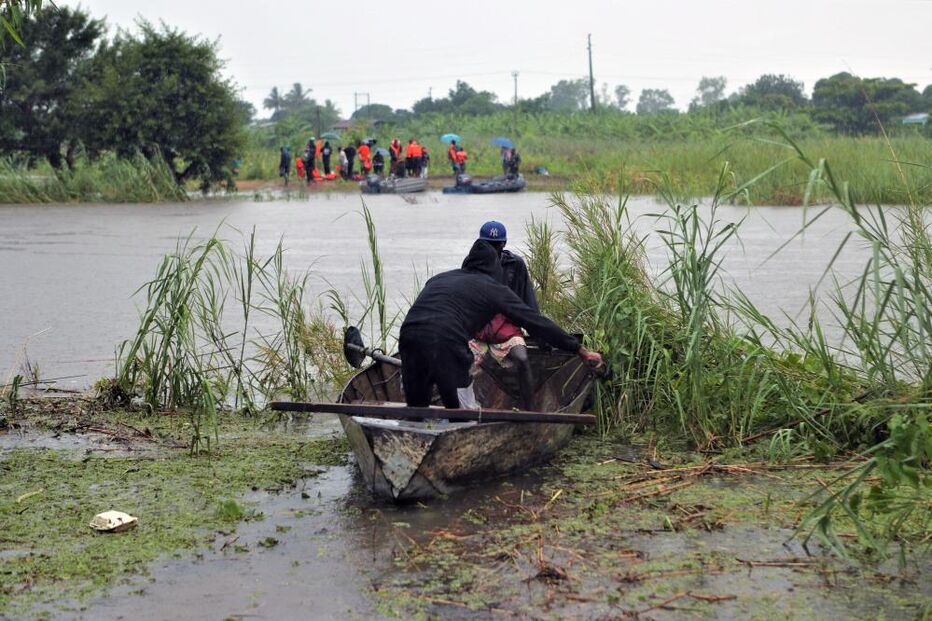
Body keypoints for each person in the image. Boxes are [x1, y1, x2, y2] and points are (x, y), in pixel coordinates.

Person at [399, 239, 603, 409]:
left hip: (408, 336)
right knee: (460, 412)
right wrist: (580, 349)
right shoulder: (493, 288)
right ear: (494, 268)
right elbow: (535, 321)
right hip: (447, 340)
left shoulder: (438, 279)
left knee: (416, 410)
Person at [468, 221, 539, 409]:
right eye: (488, 245)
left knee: (522, 359)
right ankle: (465, 407)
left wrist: (539, 333)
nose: (492, 249)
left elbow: (527, 299)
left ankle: (530, 410)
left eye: (496, 245)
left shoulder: (515, 264)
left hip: (506, 326)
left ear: (504, 244)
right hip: (480, 327)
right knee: (463, 362)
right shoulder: (474, 264)